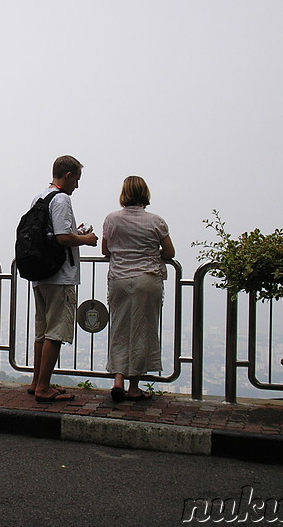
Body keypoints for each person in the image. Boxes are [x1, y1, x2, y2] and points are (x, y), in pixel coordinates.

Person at [27, 155, 98, 403]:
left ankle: (36, 380)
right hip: (60, 275)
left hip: (40, 273)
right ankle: (44, 387)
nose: (77, 185)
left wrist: (72, 233)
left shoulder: (39, 197)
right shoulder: (62, 199)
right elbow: (62, 238)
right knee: (55, 332)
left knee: (42, 331)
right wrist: (86, 239)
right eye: (76, 179)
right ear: (68, 176)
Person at [102, 176, 175, 402]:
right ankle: (134, 387)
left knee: (119, 329)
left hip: (120, 280)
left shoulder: (112, 219)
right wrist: (151, 254)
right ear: (145, 193)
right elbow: (170, 252)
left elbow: (106, 250)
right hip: (147, 279)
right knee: (142, 331)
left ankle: (118, 380)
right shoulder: (156, 222)